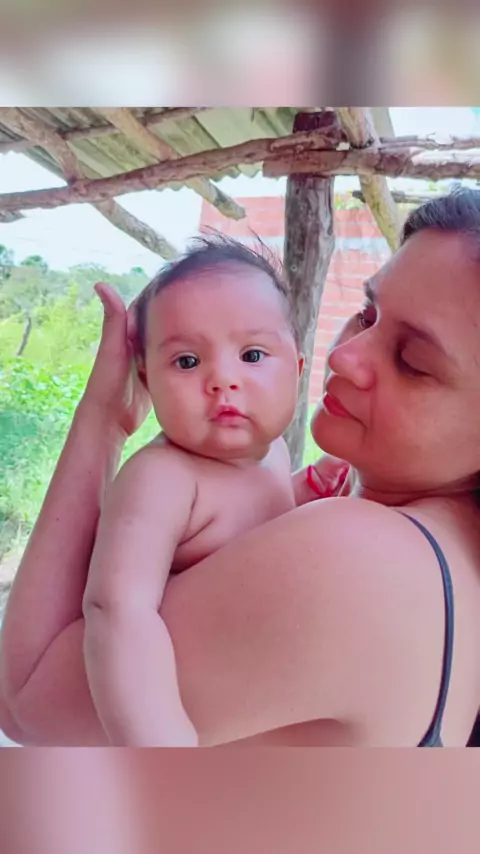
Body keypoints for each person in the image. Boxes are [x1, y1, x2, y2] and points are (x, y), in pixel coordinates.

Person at [2, 189, 480, 747]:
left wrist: (104, 418)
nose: (343, 357)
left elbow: (24, 701)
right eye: (366, 315)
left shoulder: (355, 560)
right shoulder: (450, 558)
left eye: (412, 362)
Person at [82, 238, 307, 747]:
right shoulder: (163, 478)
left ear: (297, 369)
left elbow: (254, 525)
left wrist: (307, 491)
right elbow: (118, 610)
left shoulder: (274, 453)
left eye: (252, 355)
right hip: (182, 719)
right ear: (146, 380)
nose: (222, 380)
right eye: (186, 362)